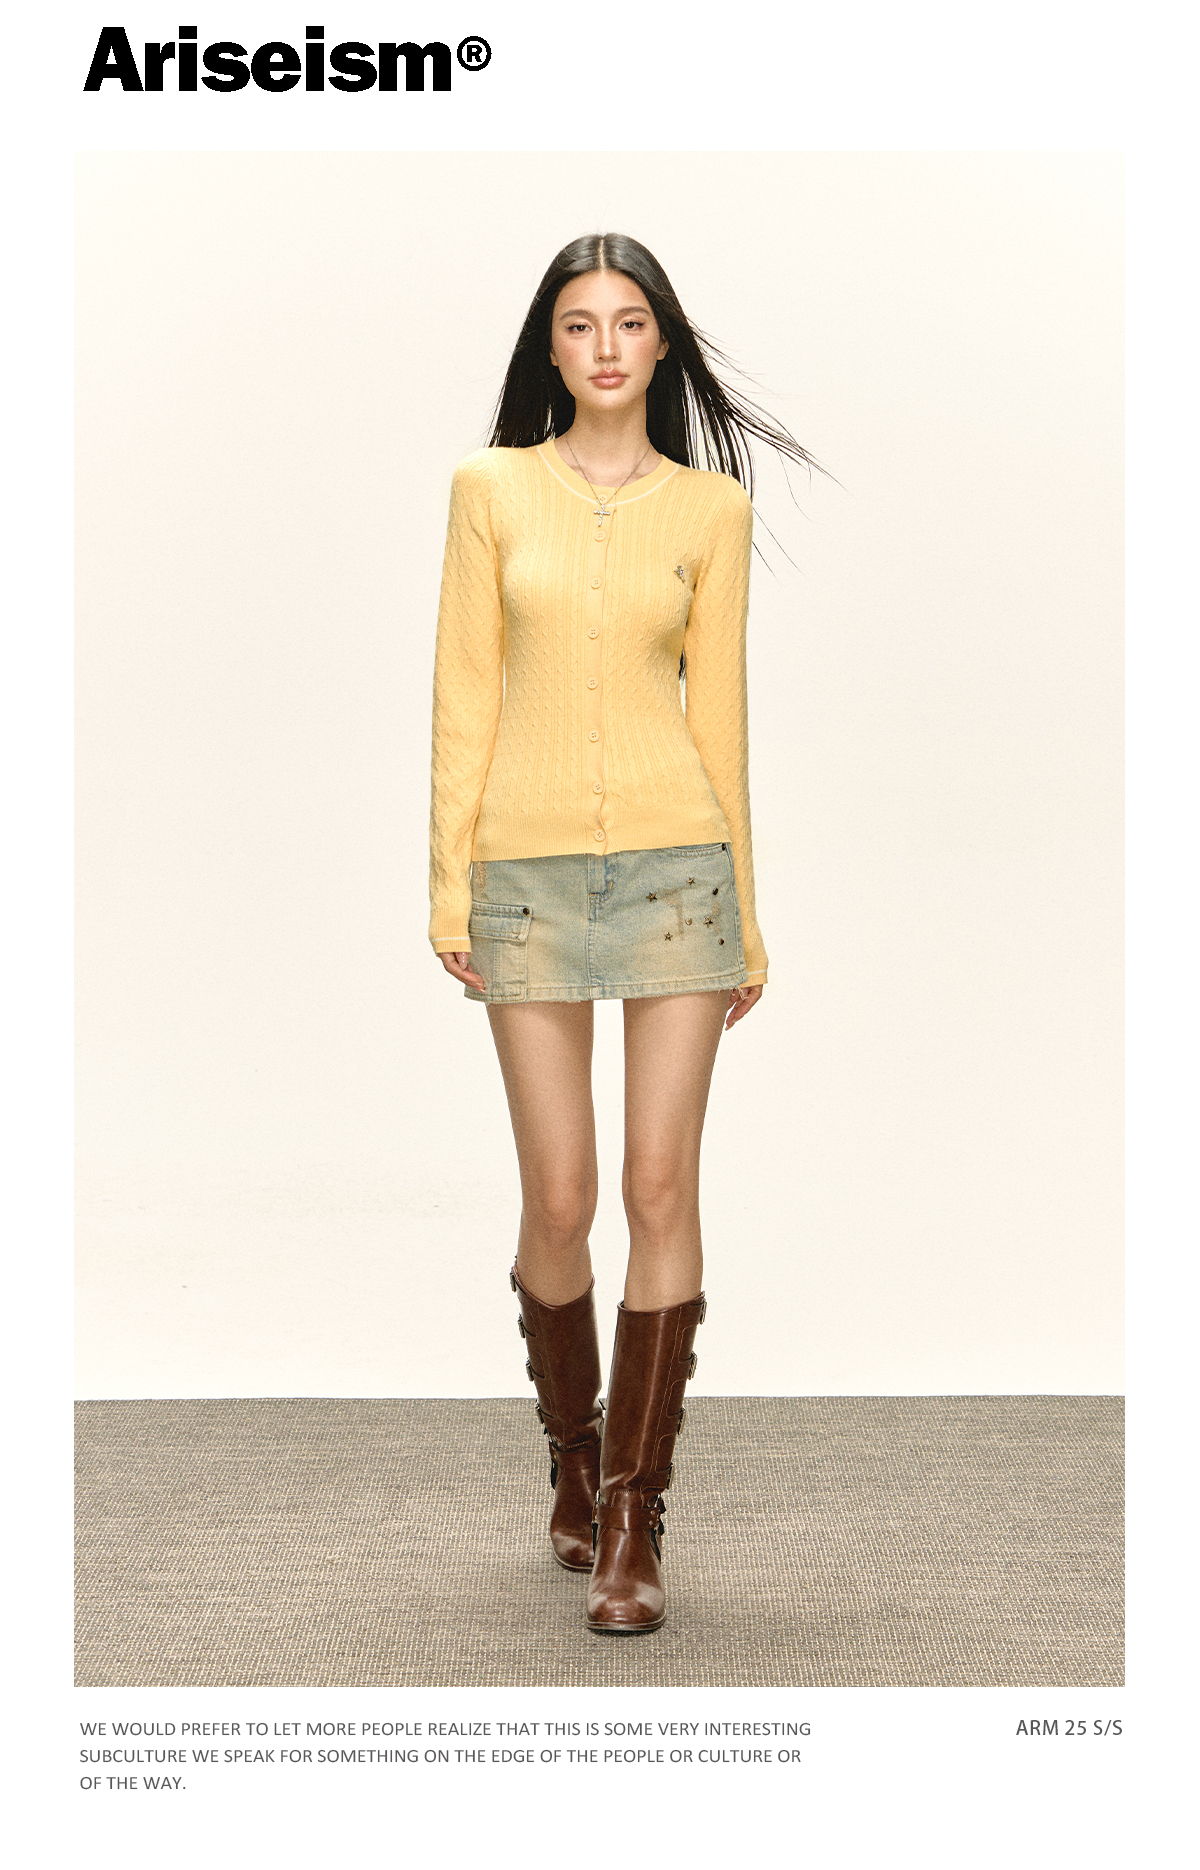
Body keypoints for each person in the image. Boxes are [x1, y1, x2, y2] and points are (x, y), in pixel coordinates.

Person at [428, 232, 817, 1634]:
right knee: (561, 1198)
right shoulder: (490, 490)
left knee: (661, 1186)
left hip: (677, 875)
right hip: (524, 874)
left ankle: (634, 1519)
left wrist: (746, 914)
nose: (606, 345)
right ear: (552, 346)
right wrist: (450, 885)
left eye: (630, 321)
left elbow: (724, 719)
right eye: (581, 323)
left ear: (662, 345)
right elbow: (464, 694)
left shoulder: (710, 509)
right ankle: (573, 1457)